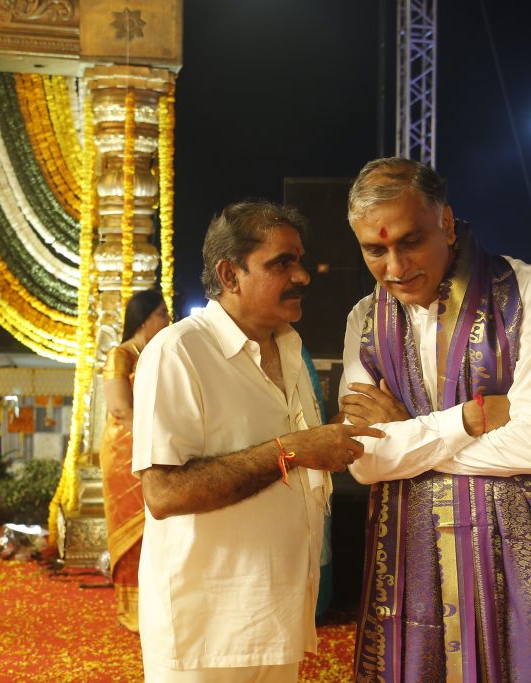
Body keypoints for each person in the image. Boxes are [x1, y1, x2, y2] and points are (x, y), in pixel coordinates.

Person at [339, 158, 531, 682]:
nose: (395, 267)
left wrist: (409, 431)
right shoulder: (364, 319)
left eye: (411, 240)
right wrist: (471, 417)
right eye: (375, 249)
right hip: (407, 554)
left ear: (446, 223)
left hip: (522, 550)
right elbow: (365, 462)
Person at [131, 201, 384, 682]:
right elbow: (163, 493)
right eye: (281, 263)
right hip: (206, 633)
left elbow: (294, 447)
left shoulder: (289, 346)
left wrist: (350, 425)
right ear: (230, 274)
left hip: (278, 619)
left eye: (300, 261)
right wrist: (295, 450)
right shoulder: (180, 350)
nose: (303, 276)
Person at [98, 287, 169, 632]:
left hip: (156, 450)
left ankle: (158, 606)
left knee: (160, 529)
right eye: (162, 314)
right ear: (143, 319)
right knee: (132, 537)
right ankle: (134, 613)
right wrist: (154, 446)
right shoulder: (120, 355)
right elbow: (120, 409)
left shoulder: (161, 353)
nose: (168, 320)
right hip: (127, 452)